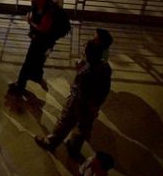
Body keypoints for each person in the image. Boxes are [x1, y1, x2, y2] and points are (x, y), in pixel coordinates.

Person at [35, 31, 114, 159]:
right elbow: (105, 88)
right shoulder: (106, 67)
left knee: (65, 122)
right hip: (92, 106)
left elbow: (82, 92)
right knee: (83, 127)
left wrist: (79, 70)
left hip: (78, 103)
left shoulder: (85, 72)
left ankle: (51, 142)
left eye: (85, 51)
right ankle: (74, 147)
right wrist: (96, 106)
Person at [8, 0, 58, 94]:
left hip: (42, 43)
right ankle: (34, 79)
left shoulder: (49, 11)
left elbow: (43, 28)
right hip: (37, 40)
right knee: (36, 62)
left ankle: (20, 85)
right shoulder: (37, 6)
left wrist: (30, 22)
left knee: (30, 62)